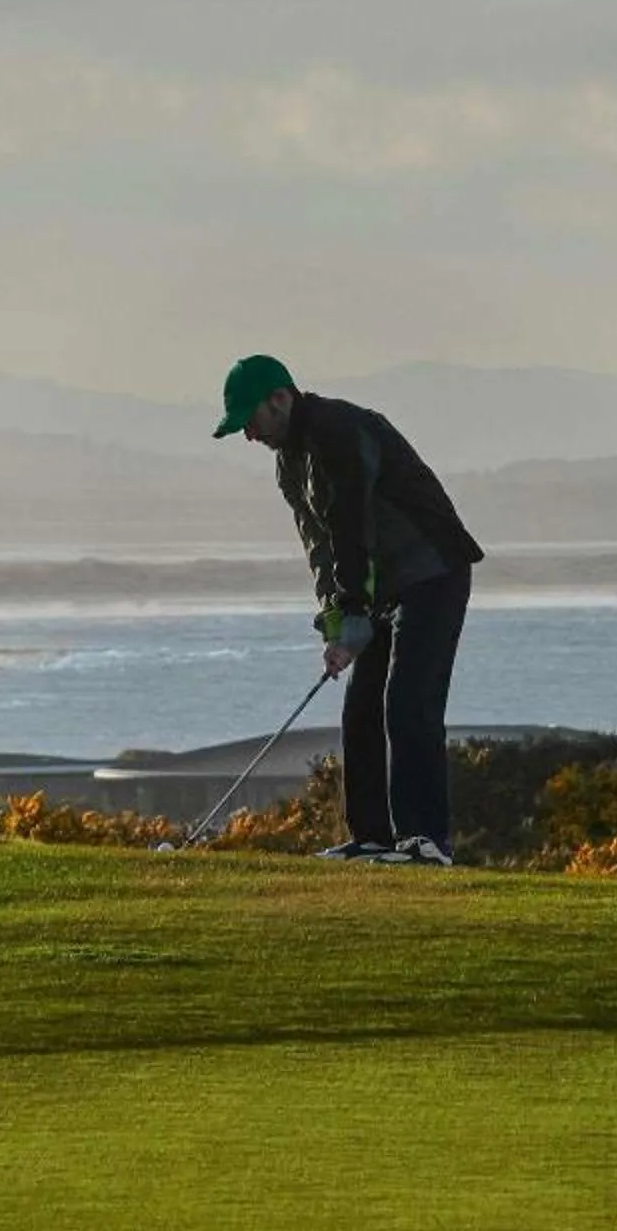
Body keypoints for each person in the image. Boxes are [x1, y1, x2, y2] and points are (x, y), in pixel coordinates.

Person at [212, 354, 483, 863]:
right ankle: (372, 837)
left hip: (433, 570)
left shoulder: (338, 430)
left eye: (251, 419)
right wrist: (335, 619)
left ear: (280, 399)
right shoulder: (289, 461)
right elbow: (319, 545)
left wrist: (355, 609)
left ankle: (425, 840)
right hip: (379, 586)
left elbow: (351, 522)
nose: (249, 434)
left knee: (409, 703)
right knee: (360, 708)